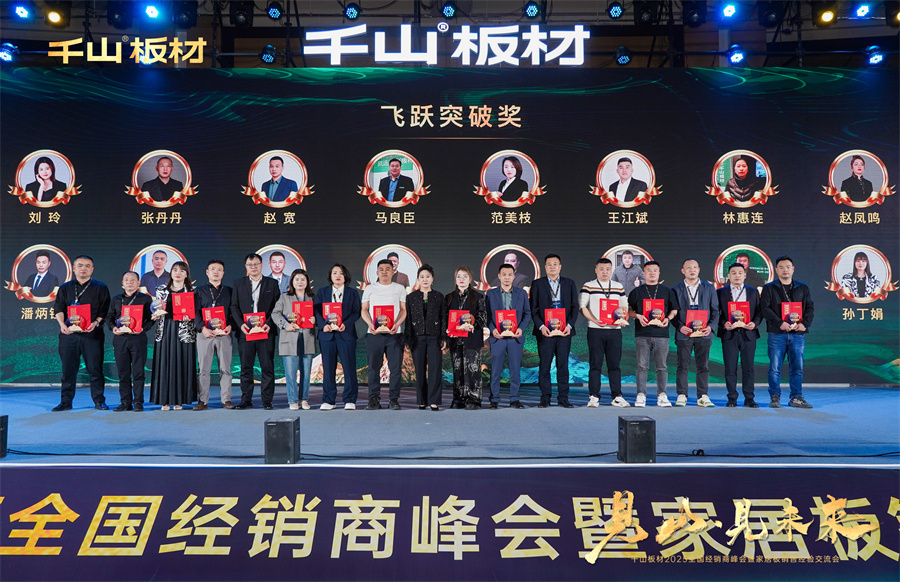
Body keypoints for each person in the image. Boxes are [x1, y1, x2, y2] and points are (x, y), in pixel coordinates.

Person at [51, 255, 111, 411]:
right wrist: (62, 325)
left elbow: (104, 310)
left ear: (92, 269)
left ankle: (99, 401)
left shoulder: (100, 287)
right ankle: (65, 402)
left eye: (87, 266)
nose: (83, 268)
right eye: (80, 265)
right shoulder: (65, 288)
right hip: (69, 335)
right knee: (68, 370)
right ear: (74, 268)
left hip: (92, 335)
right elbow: (58, 308)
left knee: (95, 369)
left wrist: (95, 323)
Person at [761, 256, 814, 409]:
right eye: (781, 267)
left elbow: (809, 308)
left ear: (793, 269)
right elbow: (765, 309)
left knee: (797, 368)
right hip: (777, 334)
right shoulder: (769, 288)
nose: (785, 270)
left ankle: (796, 397)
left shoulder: (802, 288)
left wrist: (804, 324)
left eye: (788, 267)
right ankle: (775, 397)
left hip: (797, 334)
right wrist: (780, 323)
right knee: (775, 368)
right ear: (776, 270)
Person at [230, 253, 280, 410]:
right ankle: (246, 400)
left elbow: (277, 307)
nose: (253, 267)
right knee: (246, 367)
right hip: (246, 332)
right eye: (250, 265)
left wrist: (269, 324)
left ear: (261, 265)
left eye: (256, 264)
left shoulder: (272, 283)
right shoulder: (238, 283)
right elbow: (234, 306)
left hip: (265, 331)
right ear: (246, 266)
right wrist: (241, 325)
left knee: (267, 367)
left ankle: (267, 400)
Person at [530, 254, 579, 408]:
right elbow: (533, 308)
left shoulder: (569, 283)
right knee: (544, 365)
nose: (552, 267)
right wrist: (541, 326)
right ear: (545, 267)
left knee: (563, 365)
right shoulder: (537, 284)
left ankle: (563, 397)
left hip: (564, 332)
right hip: (545, 332)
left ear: (560, 266)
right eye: (549, 264)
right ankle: (545, 397)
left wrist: (569, 325)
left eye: (555, 264)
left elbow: (575, 307)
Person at [580, 258, 629, 408]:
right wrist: (594, 320)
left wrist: (622, 319)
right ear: (596, 270)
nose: (605, 272)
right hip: (595, 330)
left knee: (615, 365)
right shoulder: (588, 285)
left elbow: (624, 307)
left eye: (608, 269)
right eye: (601, 269)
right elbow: (582, 307)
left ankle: (617, 396)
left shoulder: (618, 286)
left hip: (614, 331)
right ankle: (594, 396)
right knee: (595, 364)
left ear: (611, 270)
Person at [627, 261, 677, 407]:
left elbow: (674, 310)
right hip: (642, 334)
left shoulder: (667, 291)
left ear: (659, 273)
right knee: (642, 366)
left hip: (662, 334)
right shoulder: (636, 292)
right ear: (644, 273)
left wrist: (668, 319)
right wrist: (638, 316)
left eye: (655, 270)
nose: (652, 273)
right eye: (649, 270)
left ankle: (662, 395)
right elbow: (629, 311)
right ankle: (641, 395)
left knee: (662, 367)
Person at [149, 261, 198, 410]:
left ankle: (179, 400)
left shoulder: (193, 291)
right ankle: (164, 400)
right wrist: (155, 315)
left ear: (186, 274)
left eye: (182, 270)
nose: (178, 273)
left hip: (184, 331)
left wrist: (191, 317)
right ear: (170, 272)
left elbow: (197, 312)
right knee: (165, 364)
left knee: (182, 363)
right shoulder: (161, 289)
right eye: (175, 270)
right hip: (166, 330)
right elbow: (156, 308)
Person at [671, 259, 720, 407]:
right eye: (688, 268)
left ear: (699, 270)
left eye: (694, 267)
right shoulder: (676, 289)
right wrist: (680, 327)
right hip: (684, 334)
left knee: (703, 366)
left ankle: (702, 396)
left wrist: (710, 327)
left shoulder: (709, 288)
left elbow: (715, 311)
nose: (692, 270)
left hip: (703, 333)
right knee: (682, 366)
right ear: (683, 271)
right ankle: (682, 395)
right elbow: (672, 312)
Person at [314, 264, 362, 410]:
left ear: (345, 276)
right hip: (327, 335)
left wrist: (345, 324)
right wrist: (323, 326)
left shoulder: (352, 293)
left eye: (341, 273)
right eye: (334, 273)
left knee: (349, 368)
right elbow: (316, 312)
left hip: (346, 335)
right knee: (328, 369)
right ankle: (329, 400)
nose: (338, 275)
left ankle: (350, 399)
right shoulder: (322, 292)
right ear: (330, 276)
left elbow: (356, 312)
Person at [362, 259, 408, 410]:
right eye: (381, 269)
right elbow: (364, 309)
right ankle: (373, 399)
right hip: (374, 333)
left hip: (394, 334)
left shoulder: (399, 288)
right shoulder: (370, 288)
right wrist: (370, 324)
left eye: (388, 269)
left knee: (395, 369)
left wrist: (397, 324)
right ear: (377, 272)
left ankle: (393, 399)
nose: (384, 272)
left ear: (393, 271)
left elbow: (403, 310)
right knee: (373, 368)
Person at [106, 271, 154, 411]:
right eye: (126, 280)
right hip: (120, 339)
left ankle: (138, 402)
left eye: (133, 280)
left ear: (139, 283)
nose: (129, 282)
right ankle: (125, 402)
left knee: (138, 372)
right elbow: (109, 317)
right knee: (123, 373)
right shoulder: (116, 299)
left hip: (138, 338)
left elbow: (151, 319)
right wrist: (113, 328)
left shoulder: (145, 299)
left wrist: (143, 328)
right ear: (122, 283)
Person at [486, 263, 532, 409]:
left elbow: (527, 313)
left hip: (515, 337)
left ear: (514, 276)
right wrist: (493, 329)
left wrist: (521, 328)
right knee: (495, 370)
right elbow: (486, 315)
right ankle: (494, 399)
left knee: (515, 370)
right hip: (498, 337)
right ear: (499, 276)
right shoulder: (491, 294)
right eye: (504, 274)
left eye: (510, 274)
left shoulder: (521, 293)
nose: (507, 277)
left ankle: (514, 399)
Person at [717, 262, 762, 408]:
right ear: (728, 275)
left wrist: (754, 323)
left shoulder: (753, 292)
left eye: (740, 273)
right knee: (730, 368)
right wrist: (723, 323)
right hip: (729, 335)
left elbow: (760, 312)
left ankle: (749, 398)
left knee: (748, 368)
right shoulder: (721, 292)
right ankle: (732, 398)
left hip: (748, 334)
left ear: (745, 275)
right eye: (734, 273)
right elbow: (716, 312)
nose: (737, 275)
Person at [272, 269, 318, 410]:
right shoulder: (284, 297)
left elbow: (319, 315)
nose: (300, 282)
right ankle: (292, 400)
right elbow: (275, 314)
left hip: (307, 338)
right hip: (289, 338)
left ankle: (304, 399)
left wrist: (315, 320)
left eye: (303, 279)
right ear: (292, 281)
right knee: (290, 373)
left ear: (307, 282)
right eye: (297, 279)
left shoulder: (312, 298)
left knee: (306, 371)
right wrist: (286, 325)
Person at [443, 266, 488, 410]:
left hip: (472, 339)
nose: (461, 279)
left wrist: (473, 324)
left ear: (470, 279)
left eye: (465, 276)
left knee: (473, 370)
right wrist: (447, 331)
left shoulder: (479, 297)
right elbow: (445, 318)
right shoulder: (449, 298)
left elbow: (483, 318)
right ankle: (459, 398)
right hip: (455, 340)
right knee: (457, 370)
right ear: (455, 280)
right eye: (459, 277)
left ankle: (474, 399)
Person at [194, 259, 234, 410]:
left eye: (219, 269)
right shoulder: (199, 291)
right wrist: (202, 328)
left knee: (226, 369)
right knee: (203, 369)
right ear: (207, 272)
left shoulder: (230, 291)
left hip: (224, 334)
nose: (216, 272)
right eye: (213, 269)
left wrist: (231, 325)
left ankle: (226, 399)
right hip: (205, 334)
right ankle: (202, 400)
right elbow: (195, 312)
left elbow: (234, 311)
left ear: (223, 273)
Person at [404, 265, 445, 411]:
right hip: (417, 337)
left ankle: (434, 401)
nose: (425, 279)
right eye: (422, 277)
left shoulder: (439, 296)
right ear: (418, 279)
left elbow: (443, 318)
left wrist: (443, 337)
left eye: (428, 276)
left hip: (434, 337)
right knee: (419, 370)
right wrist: (408, 338)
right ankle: (422, 400)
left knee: (435, 370)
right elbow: (408, 319)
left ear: (432, 279)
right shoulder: (411, 297)